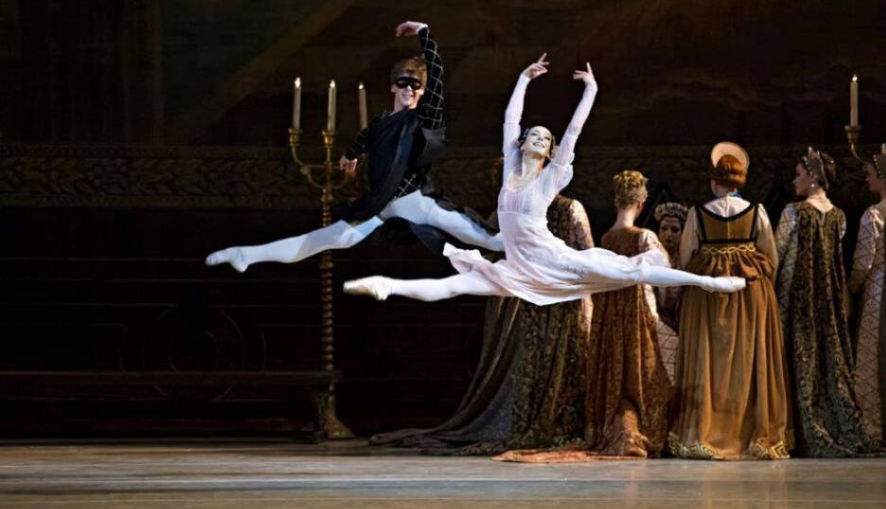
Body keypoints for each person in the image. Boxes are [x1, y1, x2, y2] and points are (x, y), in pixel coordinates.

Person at [344, 56, 745, 304]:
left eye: (544, 138)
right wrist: (523, 80)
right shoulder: (511, 168)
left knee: (632, 272)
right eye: (532, 134)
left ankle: (705, 283)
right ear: (522, 144)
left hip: (553, 259)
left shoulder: (551, 177)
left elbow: (573, 132)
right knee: (457, 284)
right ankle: (387, 285)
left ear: (550, 151)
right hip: (518, 265)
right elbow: (510, 120)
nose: (537, 138)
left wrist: (591, 91)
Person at [205, 21, 501, 273]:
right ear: (393, 86)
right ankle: (246, 255)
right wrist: (350, 153)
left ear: (422, 92)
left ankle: (529, 253)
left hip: (420, 204)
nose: (409, 89)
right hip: (382, 207)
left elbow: (436, 79)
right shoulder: (382, 121)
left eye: (416, 86)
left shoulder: (422, 118)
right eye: (403, 83)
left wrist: (423, 32)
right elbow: (366, 136)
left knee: (486, 239)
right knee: (321, 239)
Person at [368, 195, 594, 455]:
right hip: (552, 299)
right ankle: (545, 420)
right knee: (539, 359)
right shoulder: (567, 209)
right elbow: (585, 255)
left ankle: (533, 417)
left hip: (520, 298)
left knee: (527, 360)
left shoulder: (508, 210)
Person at [668, 142, 793, 460]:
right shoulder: (757, 212)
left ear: (714, 181)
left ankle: (707, 430)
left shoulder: (698, 214)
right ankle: (752, 431)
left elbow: (686, 258)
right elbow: (770, 257)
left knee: (709, 358)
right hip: (750, 293)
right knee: (750, 359)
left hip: (708, 297)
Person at [775, 147, 870, 456]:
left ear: (814, 177)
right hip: (827, 300)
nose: (794, 180)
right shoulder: (838, 217)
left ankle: (795, 427)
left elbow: (776, 256)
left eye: (799, 175)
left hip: (796, 297)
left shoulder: (793, 212)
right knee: (825, 356)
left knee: (795, 353)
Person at [848, 144, 886, 449]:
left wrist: (851, 287)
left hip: (879, 289)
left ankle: (874, 429)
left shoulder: (873, 215)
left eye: (871, 173)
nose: (867, 178)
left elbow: (863, 262)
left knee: (873, 358)